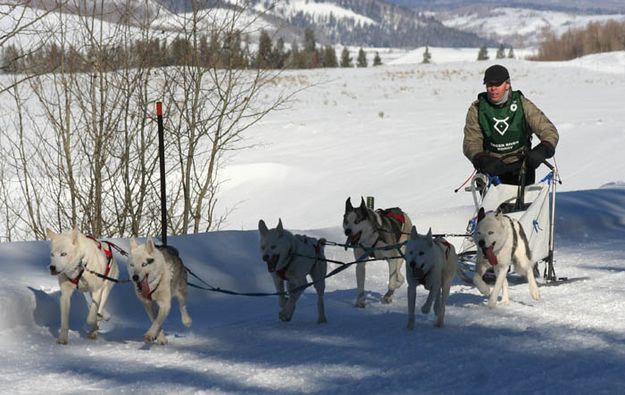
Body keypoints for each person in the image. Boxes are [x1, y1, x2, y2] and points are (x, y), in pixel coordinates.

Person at [463, 64, 559, 185]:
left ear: (507, 84)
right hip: (491, 169)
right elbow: (471, 141)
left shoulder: (522, 104)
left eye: (497, 84)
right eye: (489, 85)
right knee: (494, 205)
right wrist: (481, 159)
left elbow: (548, 130)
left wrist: (543, 149)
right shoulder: (477, 108)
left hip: (522, 167)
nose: (493, 89)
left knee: (525, 204)